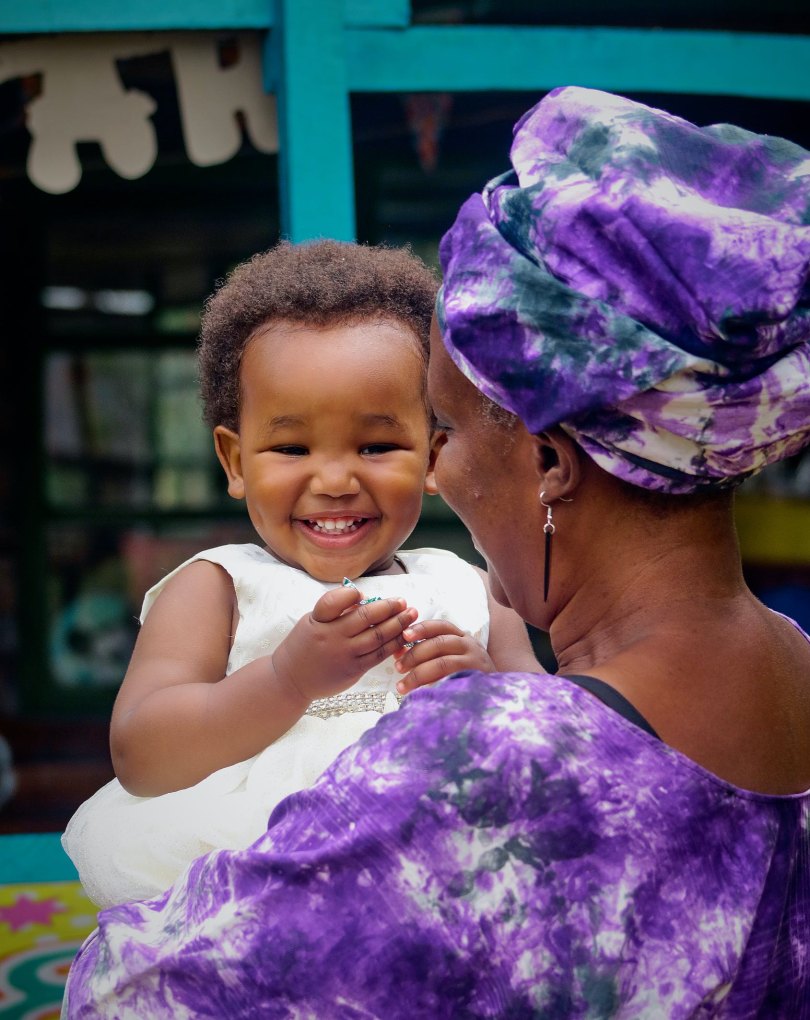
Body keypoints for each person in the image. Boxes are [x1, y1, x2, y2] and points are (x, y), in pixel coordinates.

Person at [63, 87, 810, 1018]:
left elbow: (128, 999)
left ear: (547, 458)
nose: (431, 478)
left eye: (436, 435)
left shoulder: (489, 761)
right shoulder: (797, 670)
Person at [61, 239, 539, 909]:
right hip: (261, 896)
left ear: (433, 454)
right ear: (234, 461)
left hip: (441, 892)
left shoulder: (468, 587)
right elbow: (142, 755)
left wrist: (487, 691)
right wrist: (288, 679)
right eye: (291, 447)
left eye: (376, 445)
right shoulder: (219, 587)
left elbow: (560, 733)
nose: (337, 480)